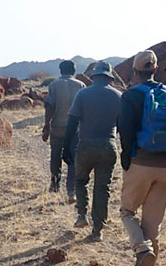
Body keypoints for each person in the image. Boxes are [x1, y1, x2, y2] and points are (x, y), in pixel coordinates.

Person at [118, 50, 166, 266]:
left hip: (141, 163)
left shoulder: (131, 96)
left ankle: (142, 249)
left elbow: (126, 132)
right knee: (152, 222)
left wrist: (127, 160)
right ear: (156, 70)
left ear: (135, 71)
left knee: (127, 212)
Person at [62, 61, 122, 240]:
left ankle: (81, 215)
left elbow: (72, 122)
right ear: (109, 77)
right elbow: (124, 126)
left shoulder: (83, 94)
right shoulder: (118, 96)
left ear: (94, 76)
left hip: (86, 144)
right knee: (103, 188)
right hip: (108, 145)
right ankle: (97, 230)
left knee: (81, 181)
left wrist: (66, 147)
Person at [42, 60, 85, 202]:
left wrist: (46, 126)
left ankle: (55, 183)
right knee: (73, 159)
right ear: (73, 71)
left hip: (58, 128)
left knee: (56, 156)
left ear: (61, 71)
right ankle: (71, 191)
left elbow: (50, 107)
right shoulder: (80, 85)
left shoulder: (54, 85)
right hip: (75, 129)